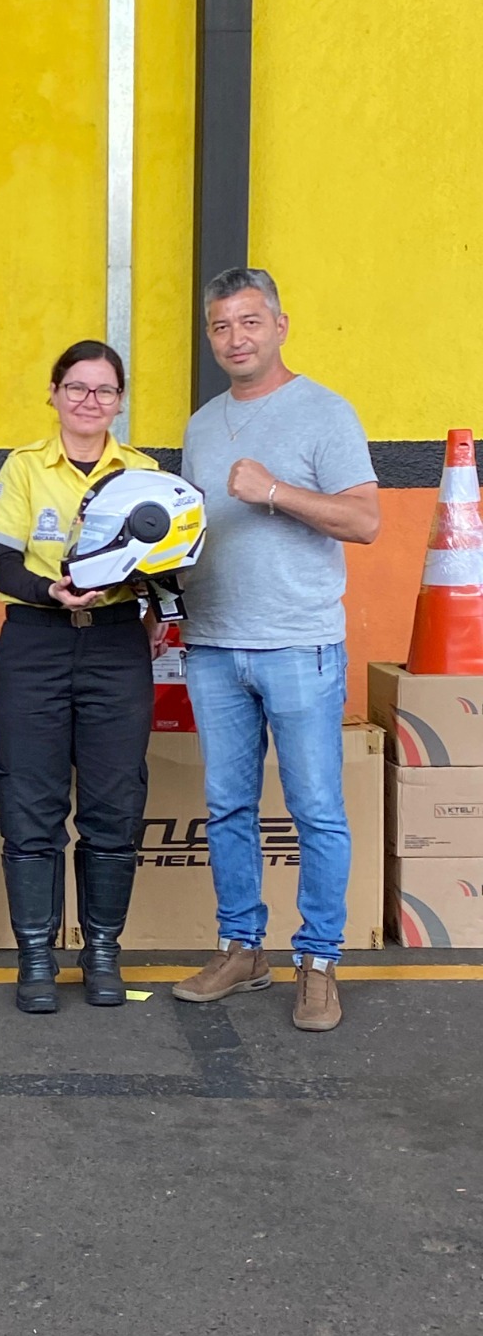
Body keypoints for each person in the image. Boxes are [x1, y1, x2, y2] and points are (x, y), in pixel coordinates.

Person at [172, 268, 380, 1031]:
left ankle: (318, 961)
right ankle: (242, 948)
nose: (236, 338)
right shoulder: (200, 425)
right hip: (212, 643)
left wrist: (273, 490)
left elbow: (364, 522)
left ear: (281, 326)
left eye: (250, 321)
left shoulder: (326, 412)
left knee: (316, 808)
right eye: (221, 325)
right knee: (227, 805)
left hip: (299, 644)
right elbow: (190, 531)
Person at [0, 341, 168, 1013]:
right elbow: (1, 562)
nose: (90, 401)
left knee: (115, 803)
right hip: (34, 642)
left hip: (115, 646)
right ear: (54, 394)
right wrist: (49, 591)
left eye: (104, 390)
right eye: (77, 388)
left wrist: (155, 591)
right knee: (30, 804)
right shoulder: (25, 466)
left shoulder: (144, 473)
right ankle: (36, 954)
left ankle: (102, 951)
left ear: (120, 401)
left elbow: (168, 564)